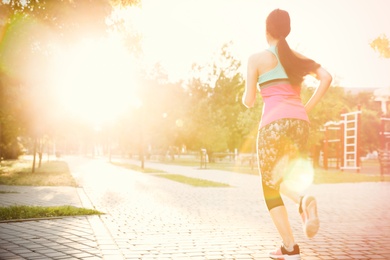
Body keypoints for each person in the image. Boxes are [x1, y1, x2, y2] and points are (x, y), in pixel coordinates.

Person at [242, 8, 332, 259]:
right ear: (287, 30)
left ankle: (292, 237)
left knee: (269, 186)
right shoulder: (296, 58)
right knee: (280, 178)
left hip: (273, 125)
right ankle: (291, 240)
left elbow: (249, 101)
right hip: (299, 123)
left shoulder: (256, 59)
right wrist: (306, 108)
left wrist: (247, 91)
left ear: (266, 30)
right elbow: (326, 77)